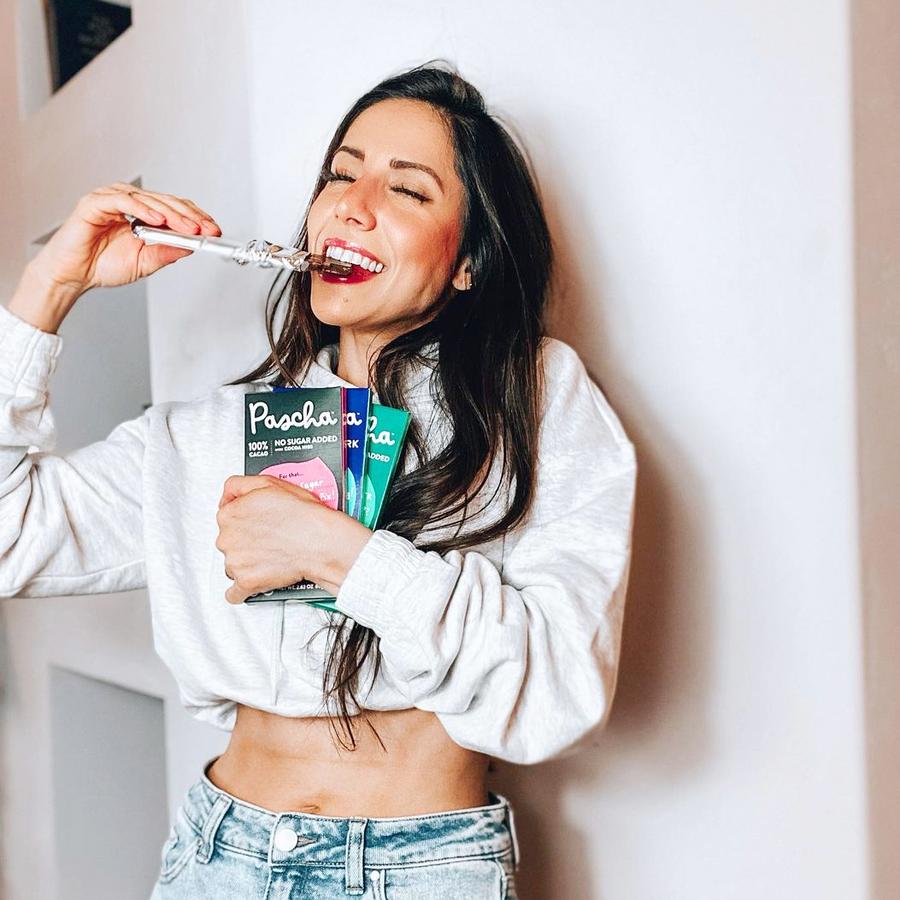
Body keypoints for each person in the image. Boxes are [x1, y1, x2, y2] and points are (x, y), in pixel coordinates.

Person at [0, 61, 637, 899]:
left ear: (469, 261)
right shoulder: (209, 434)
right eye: (342, 173)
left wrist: (344, 555)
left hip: (421, 867)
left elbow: (560, 687)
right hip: (216, 857)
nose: (352, 202)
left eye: (406, 190)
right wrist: (48, 289)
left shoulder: (534, 400)